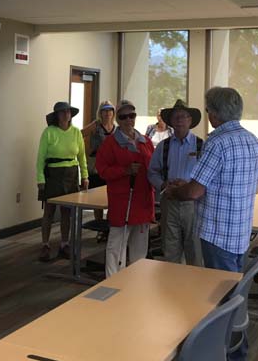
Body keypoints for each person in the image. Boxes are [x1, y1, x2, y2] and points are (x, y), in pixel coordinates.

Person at [166, 86, 258, 361]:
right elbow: (226, 185)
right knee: (235, 301)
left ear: (215, 114)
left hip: (217, 234)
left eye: (208, 110)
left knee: (220, 306)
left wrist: (175, 192)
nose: (207, 115)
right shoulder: (253, 141)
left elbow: (195, 192)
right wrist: (191, 187)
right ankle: (237, 359)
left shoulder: (216, 143)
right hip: (241, 234)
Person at [96, 100, 155, 277]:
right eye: (123, 116)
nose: (129, 120)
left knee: (139, 249)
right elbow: (102, 170)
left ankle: (136, 283)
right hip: (123, 203)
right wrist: (125, 171)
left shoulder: (146, 142)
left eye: (132, 115)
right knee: (116, 248)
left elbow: (153, 168)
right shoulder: (110, 144)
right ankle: (113, 283)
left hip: (143, 201)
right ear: (118, 119)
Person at [148, 99, 203, 266]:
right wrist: (164, 185)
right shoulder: (163, 147)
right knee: (170, 250)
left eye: (184, 116)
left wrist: (187, 186)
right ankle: (172, 287)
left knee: (194, 248)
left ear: (190, 121)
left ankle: (195, 288)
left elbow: (208, 176)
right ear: (170, 121)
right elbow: (152, 172)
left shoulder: (201, 145)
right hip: (169, 202)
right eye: (176, 116)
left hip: (193, 205)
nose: (179, 119)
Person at [36, 102, 89, 262]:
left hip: (71, 173)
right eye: (62, 112)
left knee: (67, 211)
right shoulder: (49, 132)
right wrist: (40, 178)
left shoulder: (76, 133)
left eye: (68, 112)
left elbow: (81, 156)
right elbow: (40, 158)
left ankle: (64, 244)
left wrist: (85, 176)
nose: (66, 115)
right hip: (52, 172)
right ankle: (45, 244)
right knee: (49, 211)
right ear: (57, 115)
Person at [82, 100, 116, 223]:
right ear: (100, 113)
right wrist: (87, 150)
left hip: (111, 166)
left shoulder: (116, 128)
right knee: (97, 197)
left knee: (111, 196)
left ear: (113, 113)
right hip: (96, 165)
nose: (107, 113)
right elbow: (79, 134)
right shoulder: (96, 126)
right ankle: (99, 225)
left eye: (110, 110)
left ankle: (110, 224)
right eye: (105, 110)